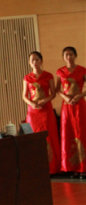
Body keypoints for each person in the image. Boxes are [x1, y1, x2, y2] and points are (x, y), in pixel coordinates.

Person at [22, 51, 60, 175]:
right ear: (29, 63)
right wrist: (31, 104)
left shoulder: (48, 75)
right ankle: (37, 167)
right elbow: (24, 95)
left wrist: (45, 100)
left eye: (37, 59)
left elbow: (53, 93)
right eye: (32, 60)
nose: (35, 62)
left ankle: (52, 167)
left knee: (49, 135)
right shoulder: (27, 78)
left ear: (41, 61)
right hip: (33, 111)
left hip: (46, 109)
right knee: (34, 136)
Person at [56, 46, 86, 178]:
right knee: (68, 133)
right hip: (67, 106)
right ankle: (72, 167)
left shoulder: (82, 70)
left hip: (80, 105)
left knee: (81, 133)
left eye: (71, 54)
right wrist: (66, 98)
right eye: (66, 55)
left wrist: (80, 96)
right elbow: (57, 89)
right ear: (63, 57)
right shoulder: (60, 71)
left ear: (75, 55)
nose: (69, 57)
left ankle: (83, 167)